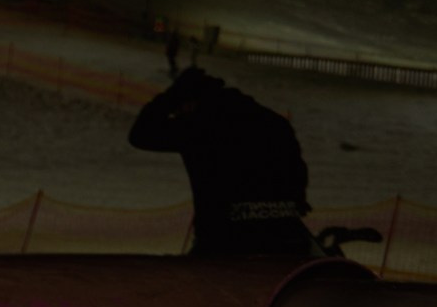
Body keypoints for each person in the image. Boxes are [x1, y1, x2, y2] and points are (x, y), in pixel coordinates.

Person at [129, 68, 313, 258]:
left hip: (225, 241)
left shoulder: (199, 126)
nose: (178, 115)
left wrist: (170, 97)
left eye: (178, 110)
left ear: (190, 103)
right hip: (286, 237)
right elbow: (298, 175)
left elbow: (141, 134)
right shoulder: (275, 123)